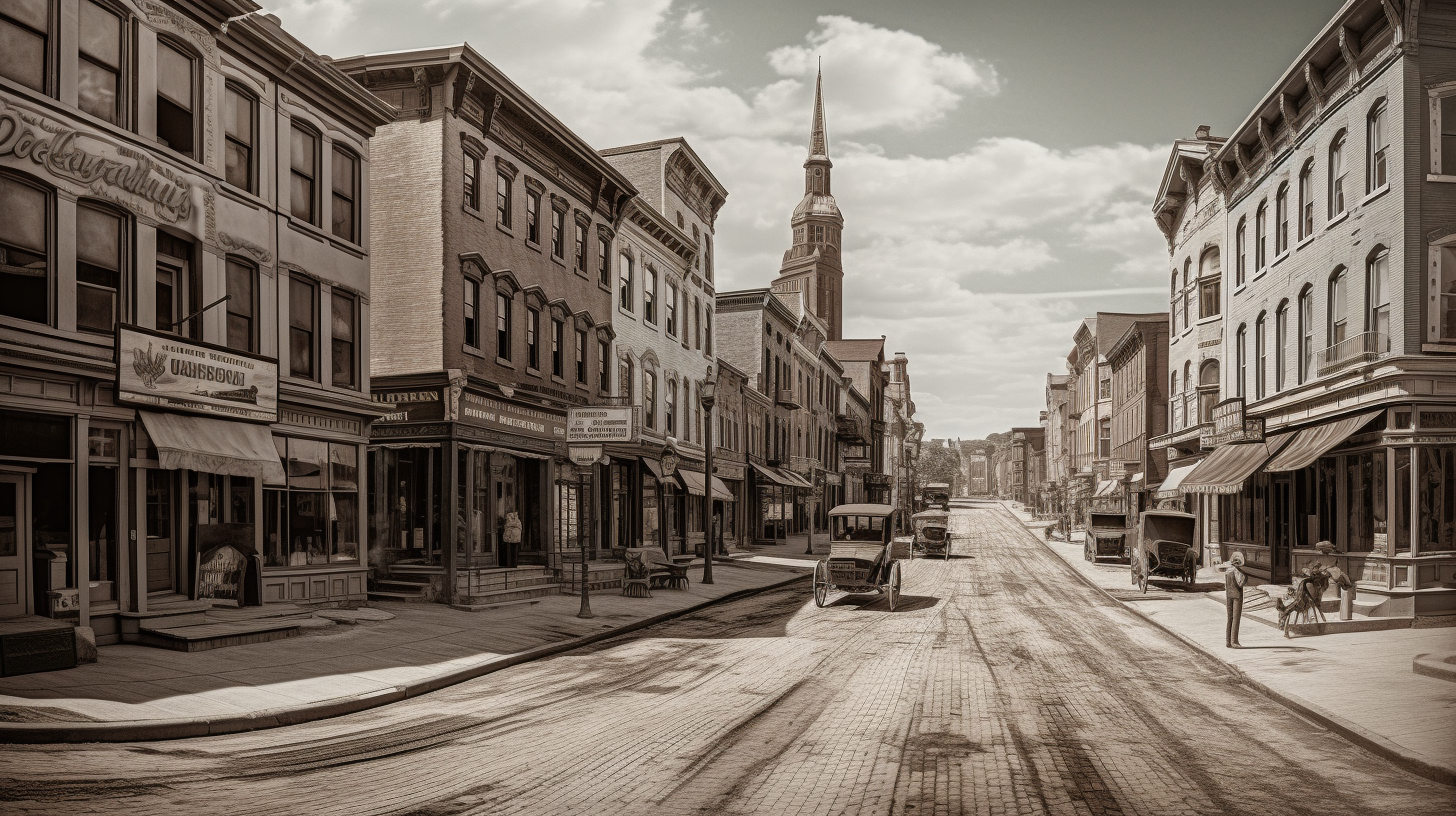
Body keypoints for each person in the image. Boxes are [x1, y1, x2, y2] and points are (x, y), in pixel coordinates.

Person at [1218, 551, 1249, 648]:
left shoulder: (1228, 572)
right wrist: (1246, 578)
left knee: (1230, 618)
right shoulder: (1238, 572)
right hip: (1237, 596)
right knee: (1236, 618)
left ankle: (1228, 641)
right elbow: (1240, 584)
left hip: (1229, 596)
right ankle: (1234, 641)